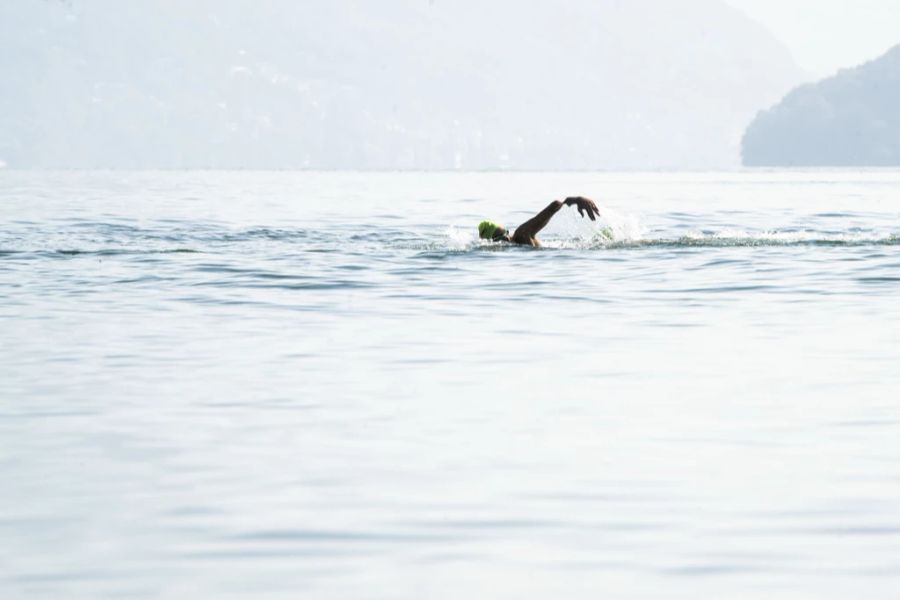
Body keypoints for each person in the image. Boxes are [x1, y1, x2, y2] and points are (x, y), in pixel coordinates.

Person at [478, 196, 601, 247]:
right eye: (500, 238)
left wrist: (576, 200)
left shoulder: (522, 234)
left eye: (505, 233)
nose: (506, 238)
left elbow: (553, 206)